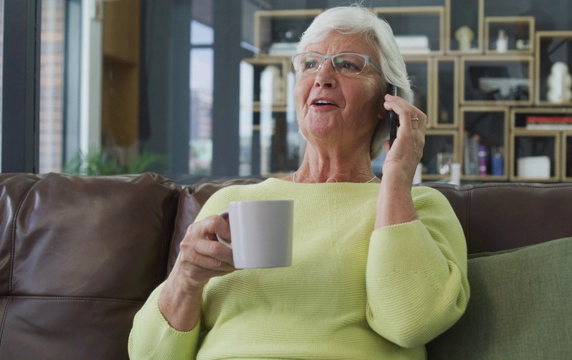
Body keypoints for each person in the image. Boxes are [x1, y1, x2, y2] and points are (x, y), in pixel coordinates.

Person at [129, 5, 469, 359]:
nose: (322, 76)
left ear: (389, 101)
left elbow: (411, 321)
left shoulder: (418, 208)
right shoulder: (227, 204)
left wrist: (397, 178)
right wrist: (185, 278)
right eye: (310, 63)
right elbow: (147, 355)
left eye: (348, 64)